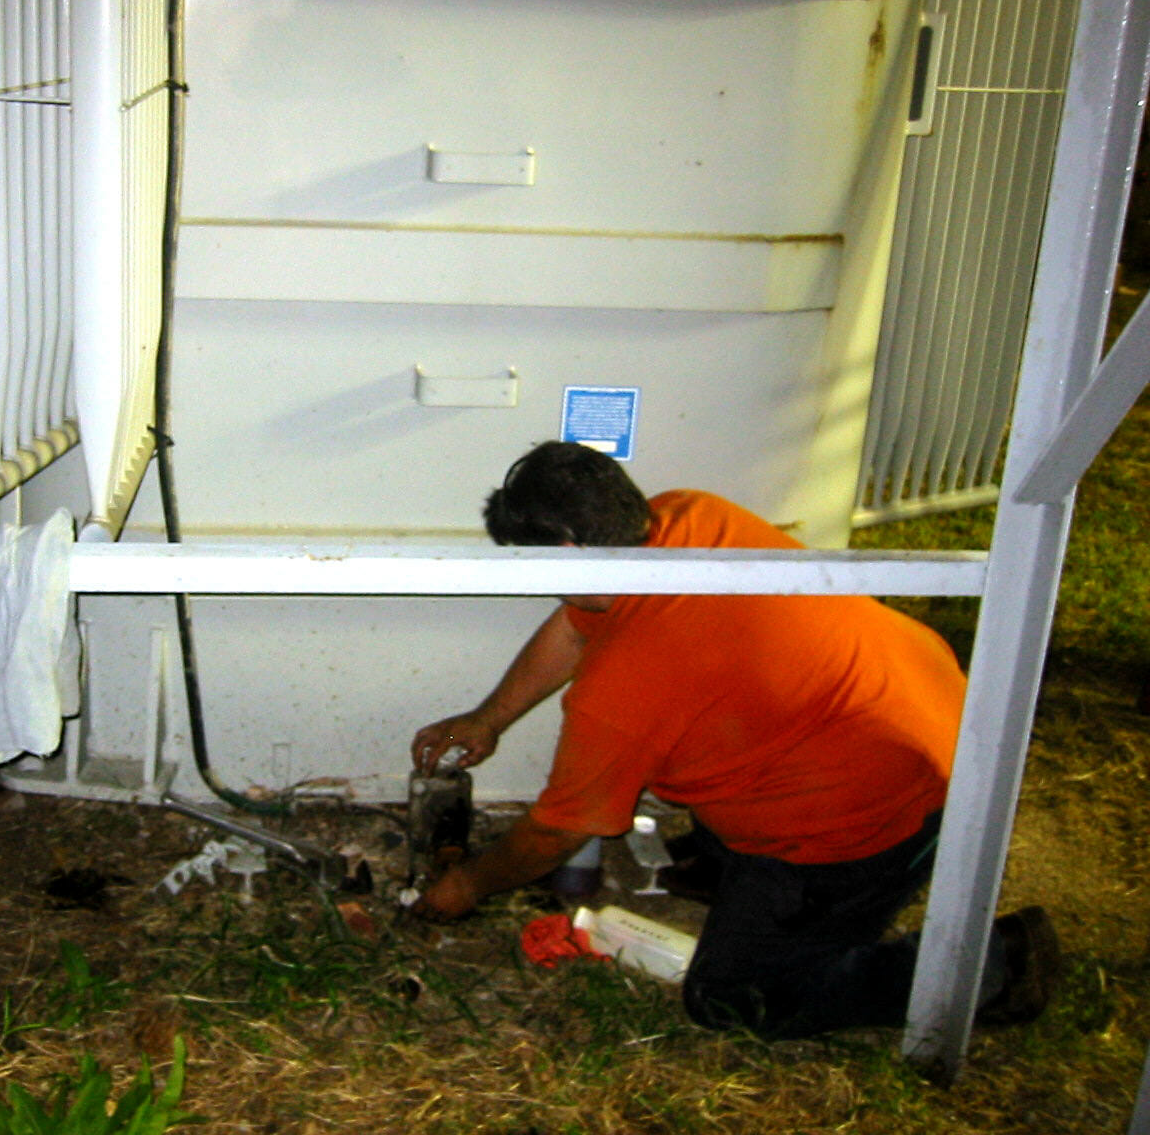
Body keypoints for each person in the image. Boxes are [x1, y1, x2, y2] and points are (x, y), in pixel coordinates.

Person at [409, 441, 1059, 1039]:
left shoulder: (624, 686)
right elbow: (577, 627)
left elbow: (558, 829)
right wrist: (488, 718)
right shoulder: (687, 518)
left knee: (731, 995)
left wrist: (468, 885)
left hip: (885, 811)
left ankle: (992, 965)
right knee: (721, 773)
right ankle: (734, 870)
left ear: (571, 549)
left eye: (533, 559)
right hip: (937, 717)